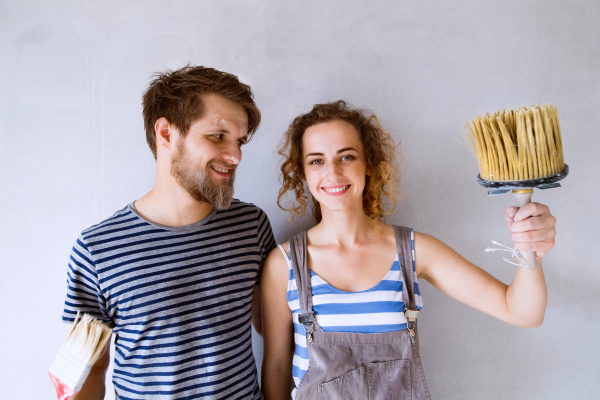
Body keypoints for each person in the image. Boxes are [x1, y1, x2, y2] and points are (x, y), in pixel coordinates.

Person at [260, 101, 556, 399]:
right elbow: (277, 368)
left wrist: (529, 251)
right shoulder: (284, 264)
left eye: (346, 157)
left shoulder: (412, 251)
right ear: (303, 173)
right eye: (316, 161)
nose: (333, 172)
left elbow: (523, 313)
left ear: (369, 165)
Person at [61, 65, 275, 400]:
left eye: (239, 141)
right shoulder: (97, 249)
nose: (235, 156)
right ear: (166, 134)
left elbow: (275, 329)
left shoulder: (252, 226)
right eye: (217, 136)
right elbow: (88, 371)